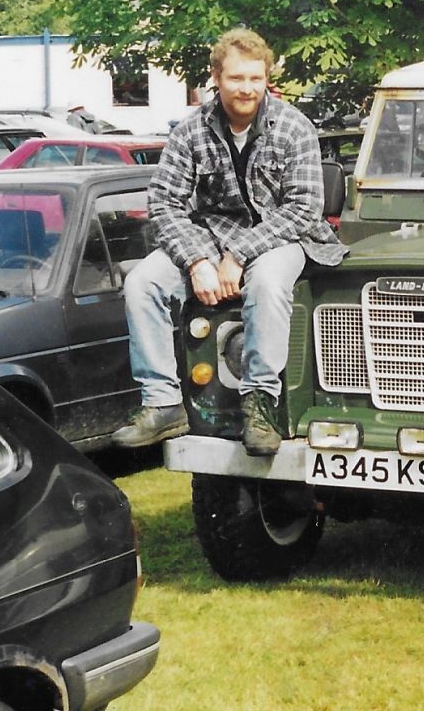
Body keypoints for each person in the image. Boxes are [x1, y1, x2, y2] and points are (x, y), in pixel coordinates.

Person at [116, 28, 348, 455]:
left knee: (268, 282)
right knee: (141, 282)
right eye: (237, 78)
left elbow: (303, 209)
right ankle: (163, 403)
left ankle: (259, 401)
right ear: (216, 78)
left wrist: (238, 255)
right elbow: (164, 202)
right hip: (209, 240)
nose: (247, 88)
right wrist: (196, 261)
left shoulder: (294, 127)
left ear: (266, 79)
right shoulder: (190, 131)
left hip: (284, 237)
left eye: (255, 79)